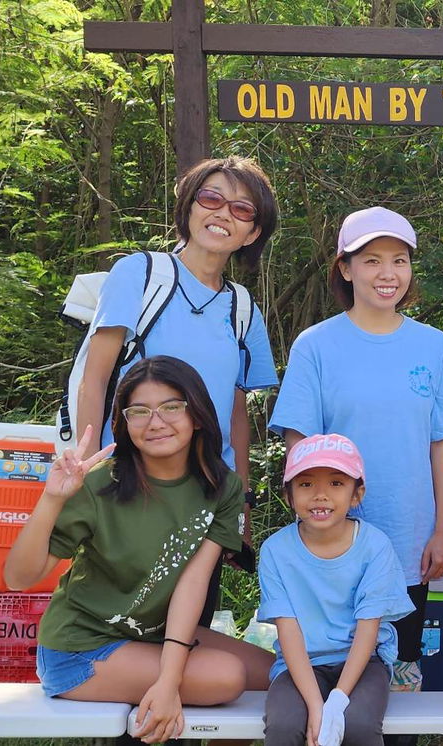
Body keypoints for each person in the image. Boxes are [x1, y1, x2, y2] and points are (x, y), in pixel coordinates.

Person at [7, 356, 273, 744]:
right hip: (81, 649)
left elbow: (193, 582)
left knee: (273, 675)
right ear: (125, 421)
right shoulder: (100, 484)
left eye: (171, 407)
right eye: (140, 411)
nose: (156, 422)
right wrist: (51, 499)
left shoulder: (222, 486)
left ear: (197, 414)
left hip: (153, 636)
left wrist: (170, 677)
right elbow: (18, 577)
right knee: (227, 676)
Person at [270, 206, 443, 692]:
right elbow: (300, 448)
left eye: (399, 260)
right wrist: (313, 523)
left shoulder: (433, 346)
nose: (388, 273)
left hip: (409, 536)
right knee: (331, 666)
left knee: (400, 673)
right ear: (345, 268)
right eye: (372, 260)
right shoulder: (315, 345)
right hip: (332, 540)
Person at [76, 156, 280, 621]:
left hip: (205, 497)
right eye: (211, 198)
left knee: (187, 628)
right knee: (117, 625)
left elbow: (235, 416)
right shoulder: (139, 274)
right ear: (188, 206)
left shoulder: (242, 308)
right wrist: (89, 475)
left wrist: (241, 506)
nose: (223, 213)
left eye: (242, 209)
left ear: (252, 233)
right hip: (129, 488)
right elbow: (95, 378)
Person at [259, 433, 415, 746]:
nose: (320, 495)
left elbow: (368, 629)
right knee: (284, 725)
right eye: (305, 484)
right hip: (301, 665)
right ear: (289, 495)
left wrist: (338, 698)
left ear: (357, 494)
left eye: (336, 483)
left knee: (357, 724)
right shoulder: (275, 550)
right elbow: (288, 631)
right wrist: (316, 705)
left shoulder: (375, 546)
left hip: (364, 663)